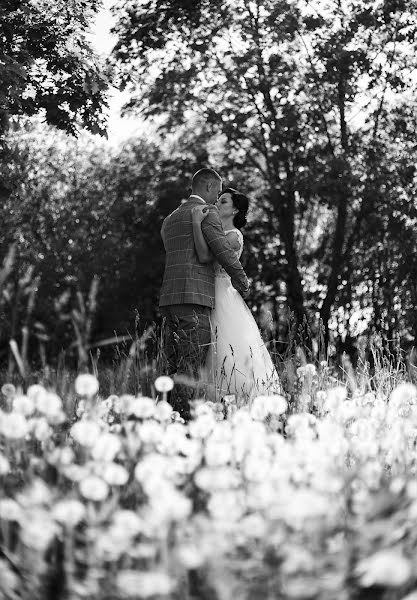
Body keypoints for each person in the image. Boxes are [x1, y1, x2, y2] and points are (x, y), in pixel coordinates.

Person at [159, 169, 250, 420]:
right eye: (218, 191)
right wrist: (241, 280)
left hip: (170, 298)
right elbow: (222, 251)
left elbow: (172, 250)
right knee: (190, 363)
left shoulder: (171, 218)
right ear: (209, 187)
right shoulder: (205, 215)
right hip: (195, 297)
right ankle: (180, 420)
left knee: (173, 363)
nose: (217, 196)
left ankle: (166, 416)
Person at [192, 187, 281, 402]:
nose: (217, 204)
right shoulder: (213, 230)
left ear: (235, 210)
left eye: (223, 201)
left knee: (225, 344)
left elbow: (205, 256)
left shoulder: (233, 237)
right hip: (205, 290)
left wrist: (196, 224)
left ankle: (234, 397)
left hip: (222, 294)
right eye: (218, 200)